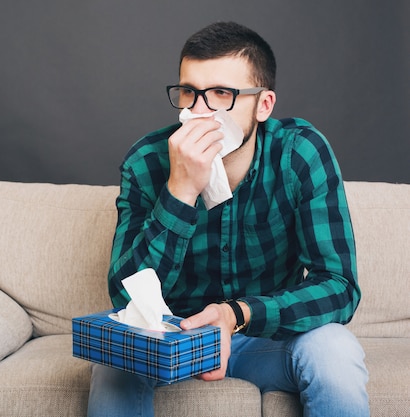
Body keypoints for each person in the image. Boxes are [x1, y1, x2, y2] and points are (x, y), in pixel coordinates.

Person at [87, 21, 369, 416]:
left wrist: (235, 314)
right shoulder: (147, 162)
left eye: (222, 94)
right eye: (190, 92)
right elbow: (124, 296)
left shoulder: (299, 153)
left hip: (264, 337)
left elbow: (339, 287)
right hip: (175, 339)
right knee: (113, 359)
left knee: (335, 349)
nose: (199, 111)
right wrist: (180, 191)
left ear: (264, 105)